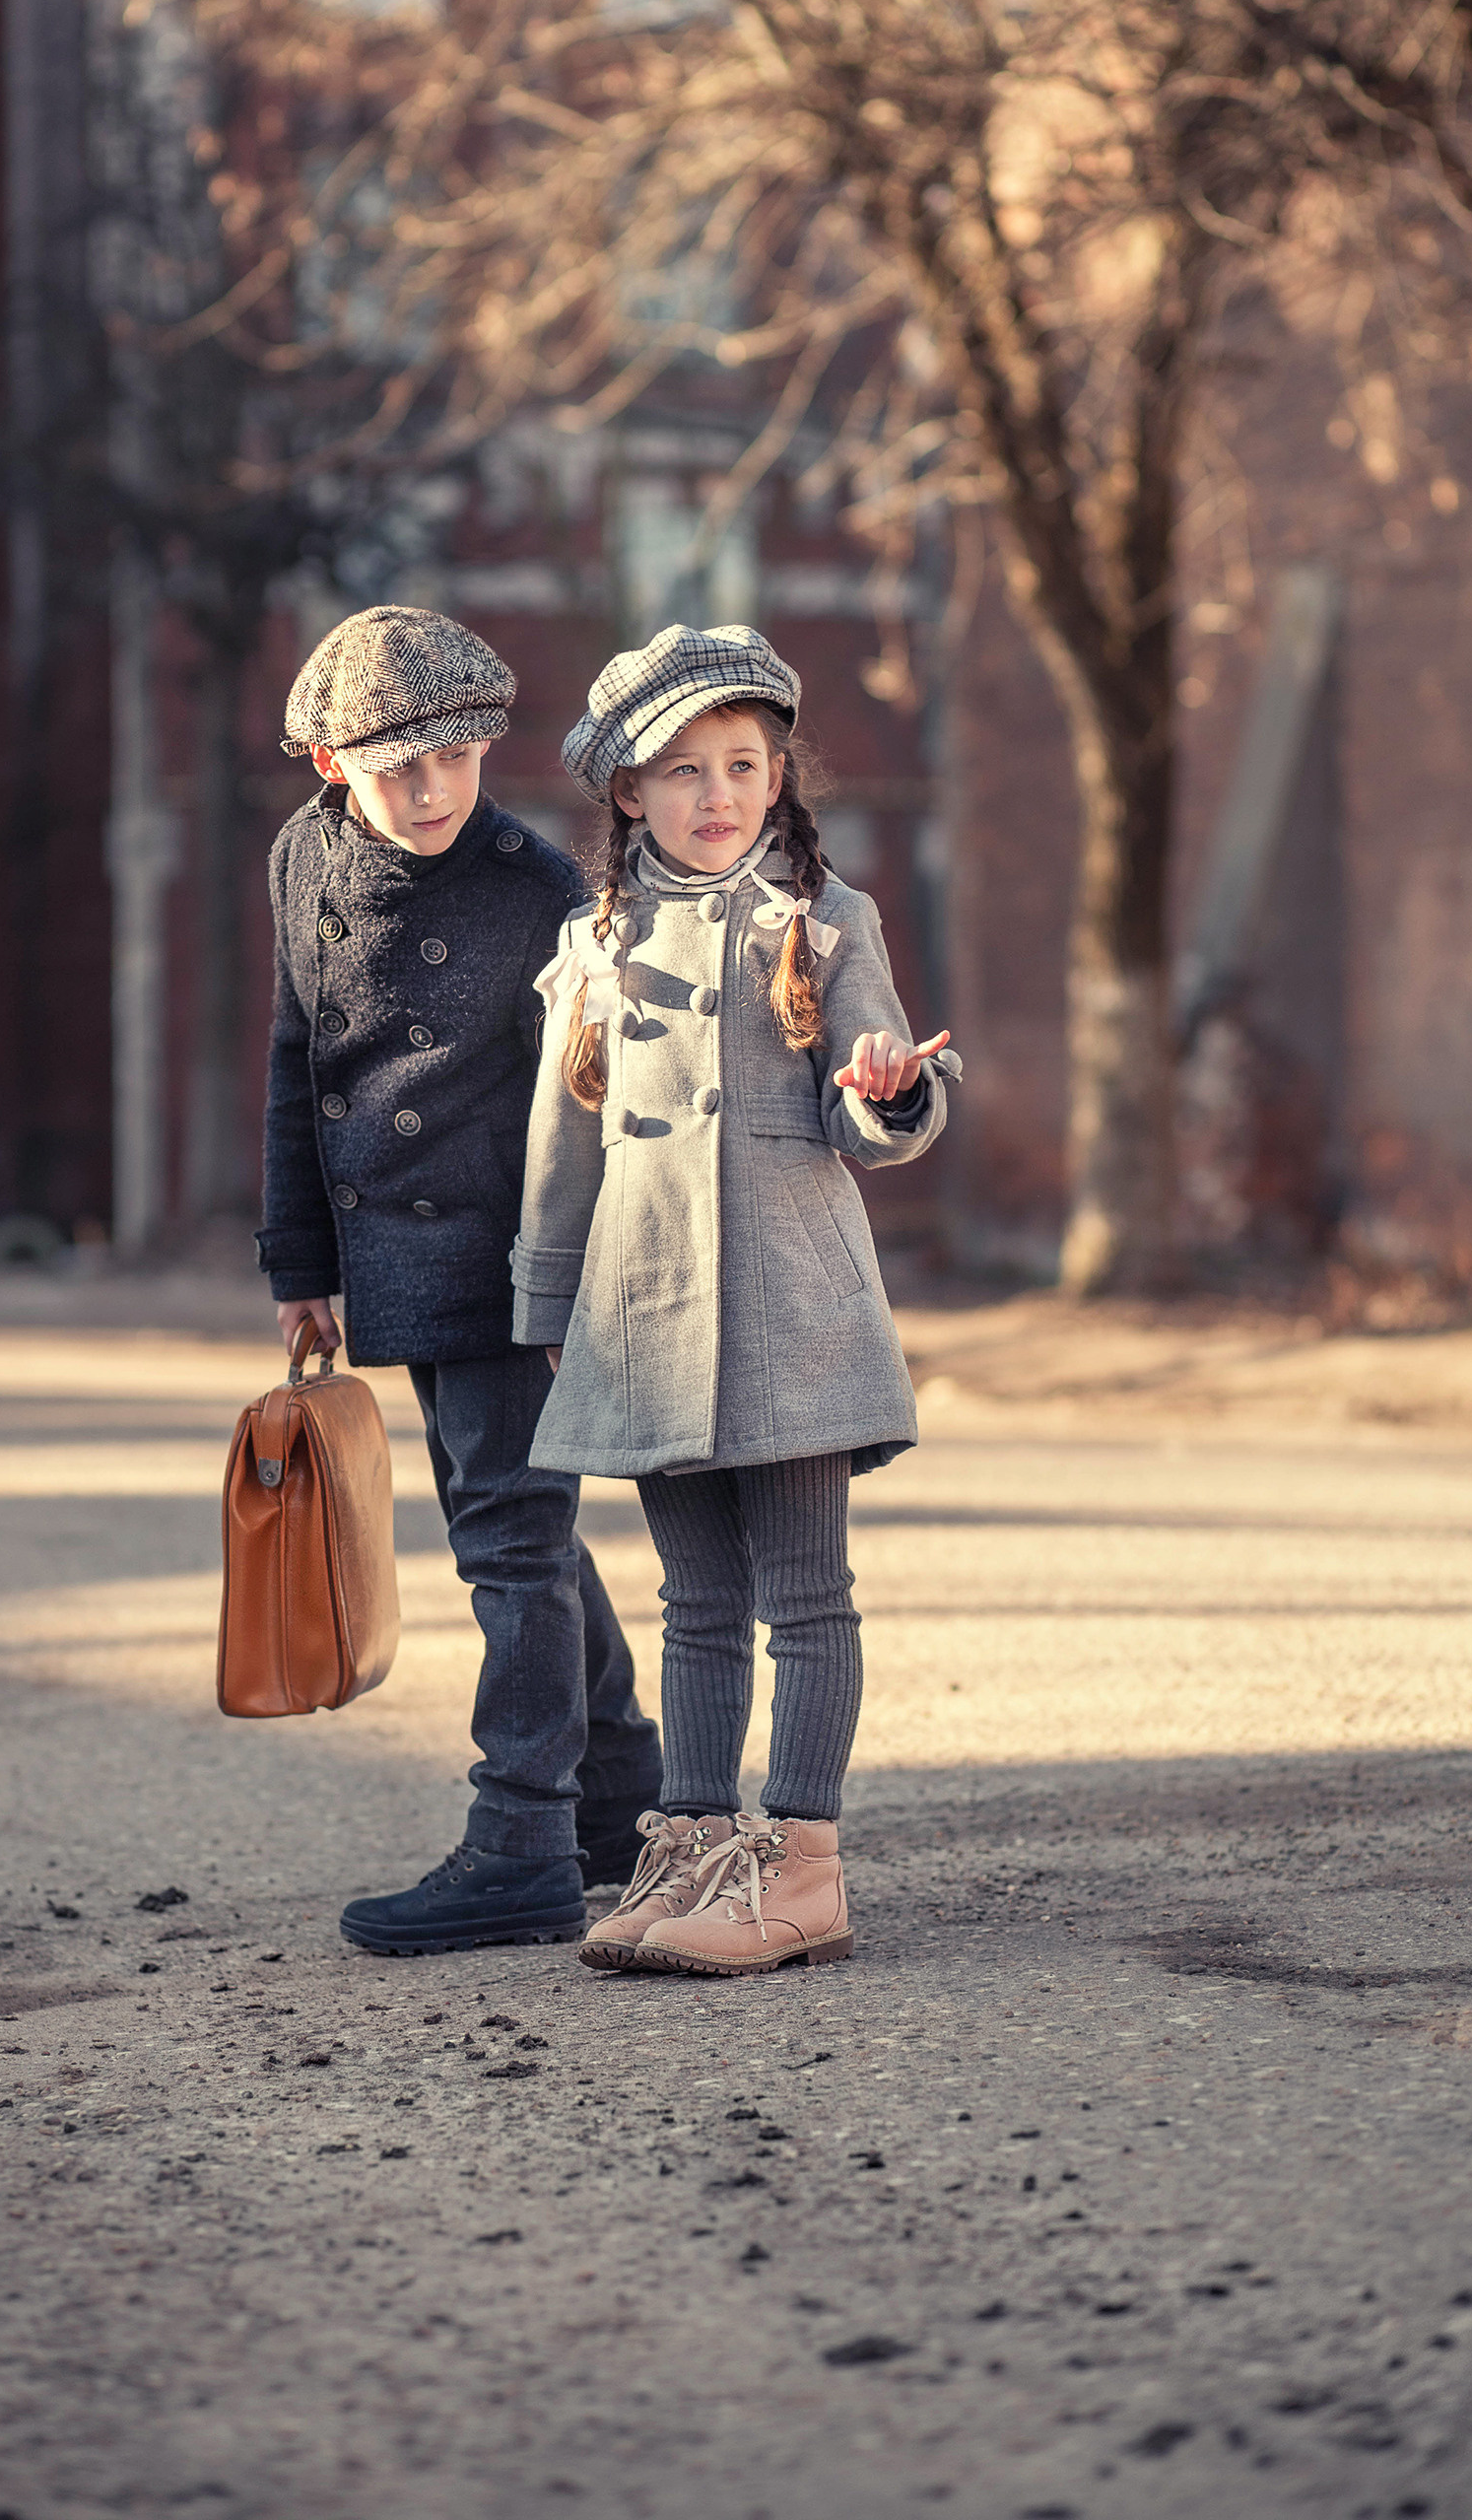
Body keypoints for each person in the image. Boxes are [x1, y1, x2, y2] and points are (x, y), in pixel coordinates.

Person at [510, 624, 957, 1977]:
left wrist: (887, 1091)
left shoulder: (827, 920)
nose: (718, 793)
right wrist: (550, 1312)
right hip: (644, 1312)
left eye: (744, 765)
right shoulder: (595, 942)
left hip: (793, 1307)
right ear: (627, 791)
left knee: (807, 1593)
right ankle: (697, 1848)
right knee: (694, 1597)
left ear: (779, 778)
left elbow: (871, 1114)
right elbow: (562, 1146)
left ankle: (803, 1867)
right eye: (684, 769)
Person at [257, 603, 663, 1954]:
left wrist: (577, 1283)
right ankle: (620, 1797)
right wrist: (299, 1258)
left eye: (458, 754)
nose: (434, 789)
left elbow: (597, 1104)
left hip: (509, 1256)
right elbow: (298, 1060)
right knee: (520, 1529)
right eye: (397, 766)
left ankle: (524, 1842)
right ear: (334, 766)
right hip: (390, 1251)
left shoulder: (542, 891)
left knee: (511, 1542)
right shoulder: (300, 859)